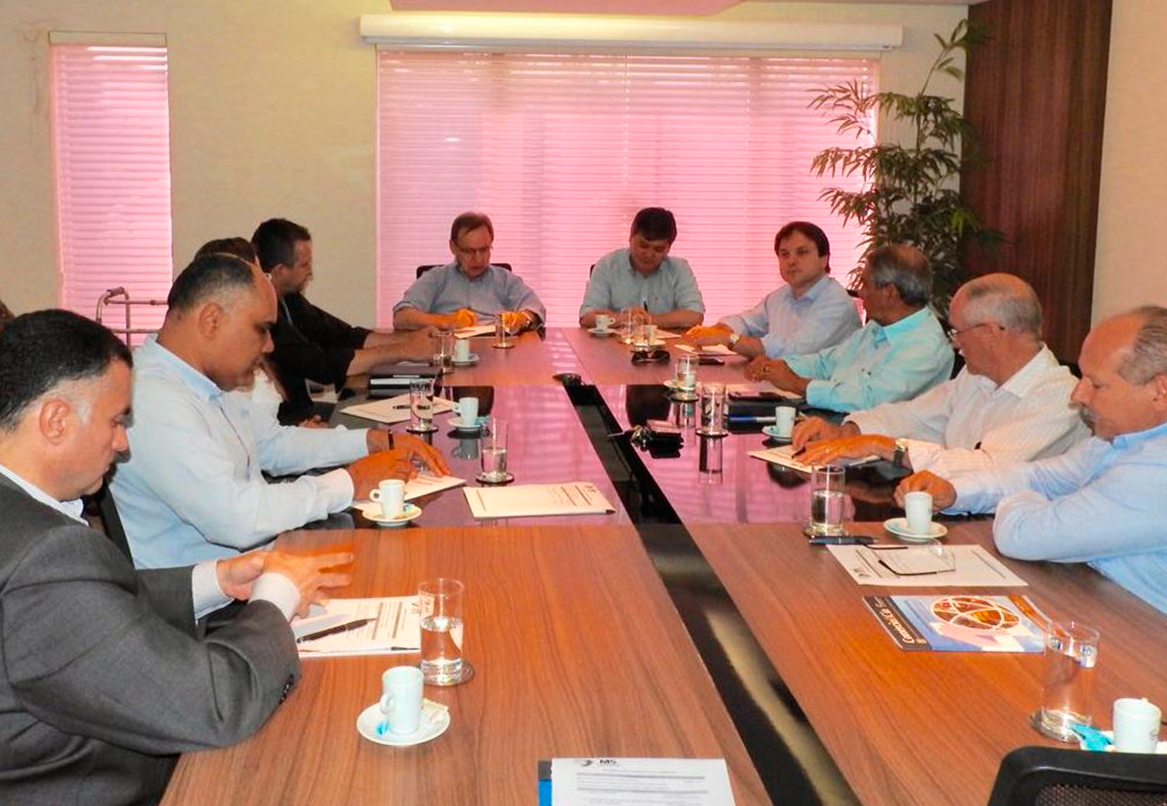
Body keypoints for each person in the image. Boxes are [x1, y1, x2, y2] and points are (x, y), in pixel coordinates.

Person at [0, 309, 351, 804]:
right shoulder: (44, 559)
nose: (122, 444)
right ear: (56, 420)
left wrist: (214, 579)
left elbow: (83, 613)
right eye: (116, 422)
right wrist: (276, 599)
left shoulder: (26, 535)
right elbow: (216, 704)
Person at [110, 253, 449, 569]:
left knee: (413, 561)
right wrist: (352, 481)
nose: (270, 345)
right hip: (218, 600)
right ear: (211, 320)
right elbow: (239, 518)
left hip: (262, 565)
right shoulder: (151, 398)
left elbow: (271, 445)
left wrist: (372, 441)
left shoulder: (202, 379)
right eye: (261, 329)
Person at [896, 307, 1167, 615]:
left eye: (1096, 384)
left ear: (1160, 391)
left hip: (1142, 633)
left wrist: (1026, 500)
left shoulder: (1158, 469)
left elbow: (1023, 536)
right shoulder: (1121, 439)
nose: (1078, 395)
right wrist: (955, 491)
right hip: (1098, 601)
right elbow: (1041, 476)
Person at [792, 273, 1088, 475]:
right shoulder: (976, 376)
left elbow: (989, 468)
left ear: (991, 332)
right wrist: (847, 433)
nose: (954, 343)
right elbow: (914, 416)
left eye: (957, 332)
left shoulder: (1061, 397)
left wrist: (883, 446)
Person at [251, 219, 434, 423]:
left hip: (305, 411)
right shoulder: (265, 317)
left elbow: (343, 335)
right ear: (279, 271)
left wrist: (413, 339)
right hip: (288, 421)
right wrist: (405, 350)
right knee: (380, 425)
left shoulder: (289, 298)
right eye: (304, 265)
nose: (310, 272)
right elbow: (321, 366)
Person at [745, 244, 953, 412]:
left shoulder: (926, 347)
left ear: (889, 292)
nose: (860, 293)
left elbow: (870, 400)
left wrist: (797, 383)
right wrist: (778, 366)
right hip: (837, 423)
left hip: (881, 443)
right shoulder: (878, 325)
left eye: (865, 284)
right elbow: (826, 363)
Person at [681, 221, 859, 358]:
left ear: (824, 259)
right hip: (780, 382)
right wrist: (719, 329)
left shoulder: (836, 302)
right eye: (784, 254)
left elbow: (795, 352)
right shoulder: (780, 296)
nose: (791, 261)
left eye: (802, 252)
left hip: (820, 390)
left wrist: (729, 339)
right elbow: (746, 322)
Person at [392, 211, 546, 332]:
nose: (478, 259)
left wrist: (521, 319)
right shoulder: (436, 278)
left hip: (495, 350)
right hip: (449, 351)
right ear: (453, 247)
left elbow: (536, 309)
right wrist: (446, 321)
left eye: (484, 250)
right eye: (469, 251)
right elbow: (401, 317)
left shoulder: (505, 280)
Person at [579, 207, 705, 330]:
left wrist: (649, 320)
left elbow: (695, 315)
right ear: (630, 239)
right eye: (643, 246)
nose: (649, 254)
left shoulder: (679, 269)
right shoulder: (608, 265)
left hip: (665, 344)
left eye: (658, 249)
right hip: (615, 343)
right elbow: (587, 317)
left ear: (668, 248)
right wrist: (626, 318)